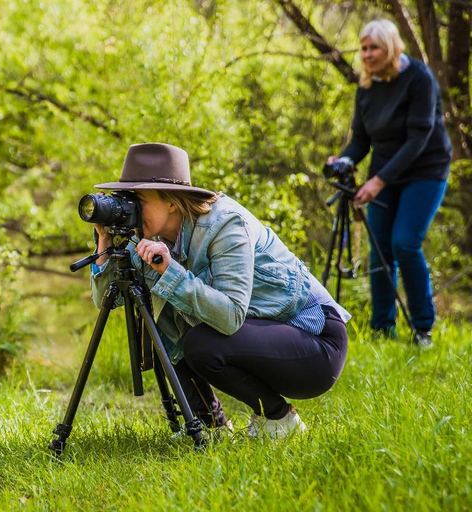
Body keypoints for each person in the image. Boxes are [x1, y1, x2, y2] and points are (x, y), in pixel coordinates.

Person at [90, 142, 350, 438]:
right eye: (128, 200)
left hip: (314, 342)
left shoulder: (225, 223)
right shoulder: (148, 239)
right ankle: (210, 425)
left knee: (202, 341)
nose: (131, 210)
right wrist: (103, 243)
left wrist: (169, 272)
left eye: (140, 200)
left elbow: (229, 316)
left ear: (172, 201)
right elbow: (105, 300)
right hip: (267, 337)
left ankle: (279, 421)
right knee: (160, 323)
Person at [329, 19, 451, 347]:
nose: (366, 55)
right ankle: (382, 329)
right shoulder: (367, 88)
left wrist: (378, 182)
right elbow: (361, 142)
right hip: (386, 173)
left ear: (391, 48)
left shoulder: (419, 79)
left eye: (374, 48)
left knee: (404, 243)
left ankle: (423, 327)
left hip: (425, 170)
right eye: (363, 48)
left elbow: (418, 138)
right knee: (379, 250)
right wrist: (343, 161)